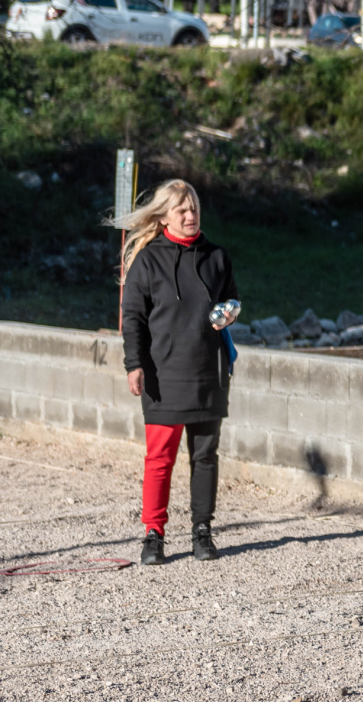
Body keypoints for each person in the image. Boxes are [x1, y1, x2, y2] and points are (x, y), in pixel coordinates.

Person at [118, 179, 239, 565]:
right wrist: (134, 364)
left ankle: (202, 530)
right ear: (165, 215)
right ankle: (154, 534)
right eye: (182, 210)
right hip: (162, 374)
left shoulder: (218, 257)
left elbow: (231, 299)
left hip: (209, 370)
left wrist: (231, 311)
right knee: (160, 458)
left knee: (205, 456)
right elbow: (133, 317)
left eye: (194, 209)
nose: (190, 216)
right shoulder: (148, 259)